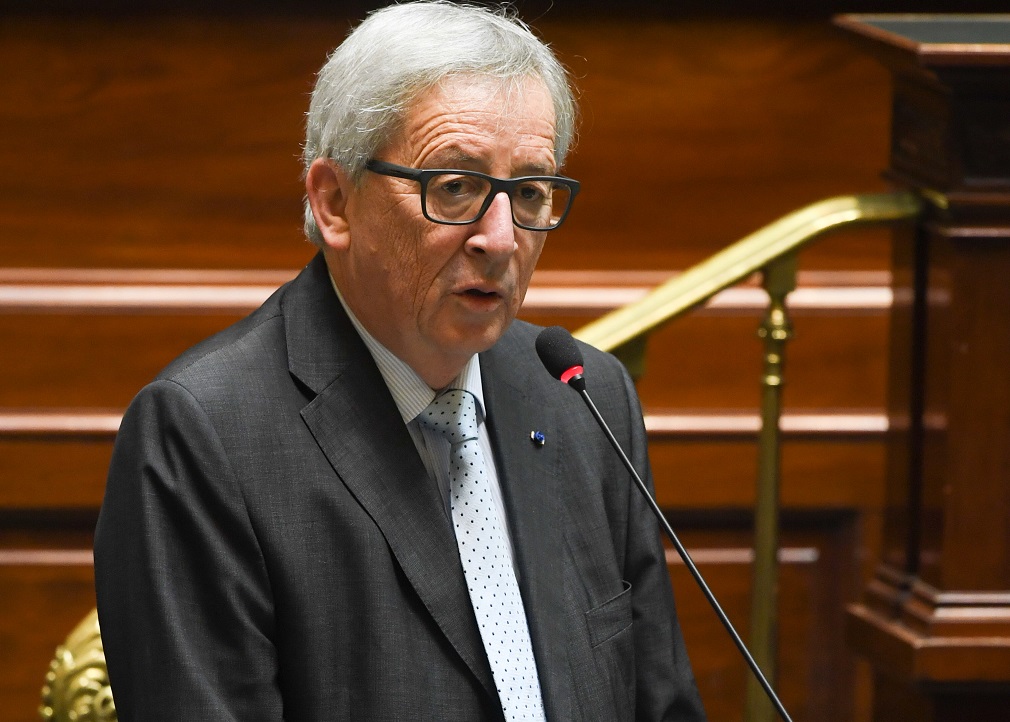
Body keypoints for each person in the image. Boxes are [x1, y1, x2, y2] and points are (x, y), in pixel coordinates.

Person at [93, 2, 706, 720]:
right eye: (455, 186)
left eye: (530, 192)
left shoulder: (582, 395)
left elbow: (659, 703)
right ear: (335, 203)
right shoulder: (206, 435)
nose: (501, 239)